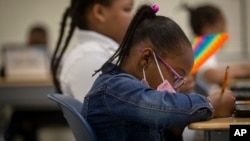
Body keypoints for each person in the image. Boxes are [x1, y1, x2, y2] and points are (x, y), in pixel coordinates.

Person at [82, 4, 235, 141]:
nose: (177, 87)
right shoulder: (114, 88)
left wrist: (174, 132)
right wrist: (211, 105)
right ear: (146, 59)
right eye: (176, 76)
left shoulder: (128, 93)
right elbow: (164, 107)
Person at [51, 0, 134, 101]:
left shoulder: (97, 53)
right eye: (127, 9)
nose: (133, 17)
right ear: (99, 12)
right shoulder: (90, 57)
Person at [184, 4, 250, 94]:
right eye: (222, 25)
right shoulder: (201, 47)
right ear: (207, 27)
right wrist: (244, 70)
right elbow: (211, 75)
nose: (225, 31)